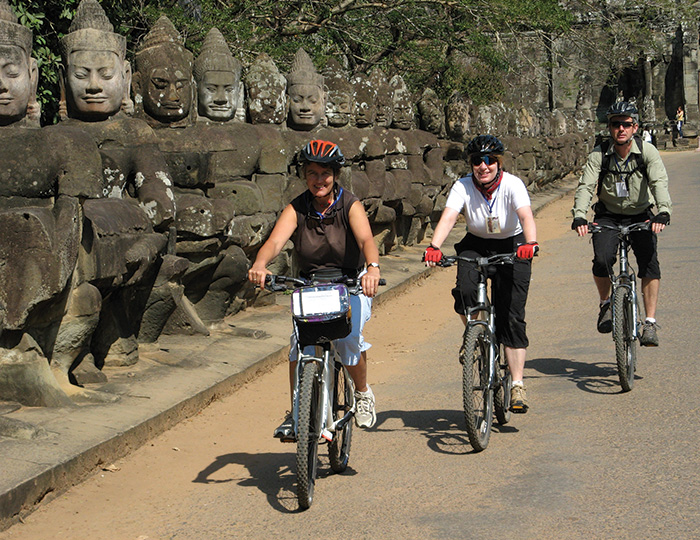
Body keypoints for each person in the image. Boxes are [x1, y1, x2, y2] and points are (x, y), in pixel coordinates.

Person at [248, 140, 381, 438]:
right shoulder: (297, 208)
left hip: (349, 282)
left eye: (325, 173)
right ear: (304, 175)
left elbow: (366, 241)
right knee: (298, 344)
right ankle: (297, 410)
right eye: (312, 173)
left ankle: (361, 393)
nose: (318, 180)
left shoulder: (350, 204)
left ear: (335, 175)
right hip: (310, 285)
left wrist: (372, 268)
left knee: (348, 340)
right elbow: (274, 242)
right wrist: (260, 264)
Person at [424, 135, 538, 413]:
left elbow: (525, 216)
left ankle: (517, 385)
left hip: (512, 244)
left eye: (490, 160)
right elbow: (450, 216)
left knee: (511, 314)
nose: (483, 166)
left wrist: (530, 244)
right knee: (464, 291)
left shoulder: (513, 185)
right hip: (476, 243)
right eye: (477, 161)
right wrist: (434, 246)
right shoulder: (462, 186)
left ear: (499, 163)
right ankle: (475, 332)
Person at [571, 101, 672, 346]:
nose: (621, 129)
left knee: (649, 263)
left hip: (640, 214)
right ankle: (606, 304)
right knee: (602, 259)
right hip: (608, 215)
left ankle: (649, 322)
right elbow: (586, 186)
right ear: (609, 128)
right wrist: (579, 215)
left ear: (635, 127)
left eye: (626, 124)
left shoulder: (647, 152)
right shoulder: (599, 153)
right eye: (615, 124)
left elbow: (659, 182)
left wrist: (663, 211)